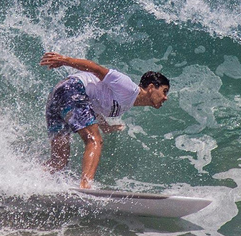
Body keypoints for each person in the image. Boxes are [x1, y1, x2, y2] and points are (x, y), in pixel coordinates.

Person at [40, 52, 170, 189]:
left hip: (58, 93)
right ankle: (85, 186)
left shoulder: (125, 103)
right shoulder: (128, 88)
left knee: (59, 161)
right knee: (94, 140)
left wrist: (105, 126)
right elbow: (96, 69)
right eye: (164, 91)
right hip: (72, 88)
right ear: (150, 88)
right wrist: (65, 60)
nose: (165, 97)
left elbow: (92, 106)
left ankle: (27, 179)